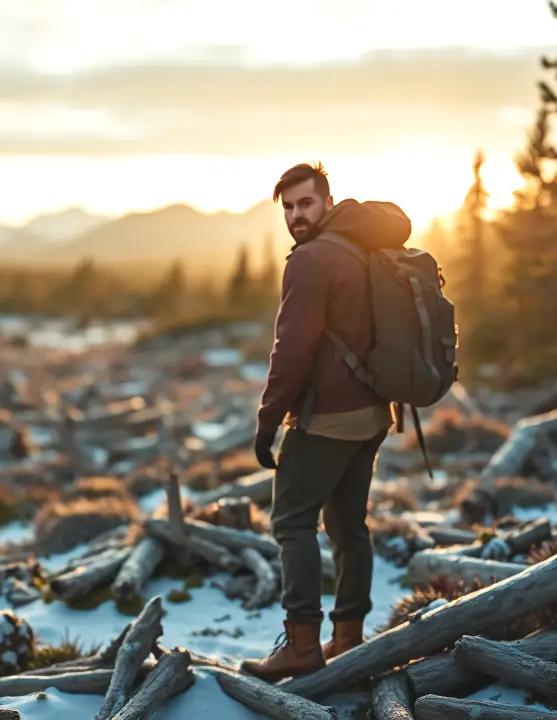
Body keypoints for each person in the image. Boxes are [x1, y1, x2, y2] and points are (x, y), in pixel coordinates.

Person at [239, 162, 411, 681]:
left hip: (328, 419)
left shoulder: (310, 260)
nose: (296, 215)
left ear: (328, 202)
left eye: (306, 203)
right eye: (289, 207)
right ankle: (348, 637)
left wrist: (268, 421)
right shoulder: (360, 247)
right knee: (348, 525)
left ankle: (301, 645)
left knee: (292, 523)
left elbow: (291, 350)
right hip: (373, 413)